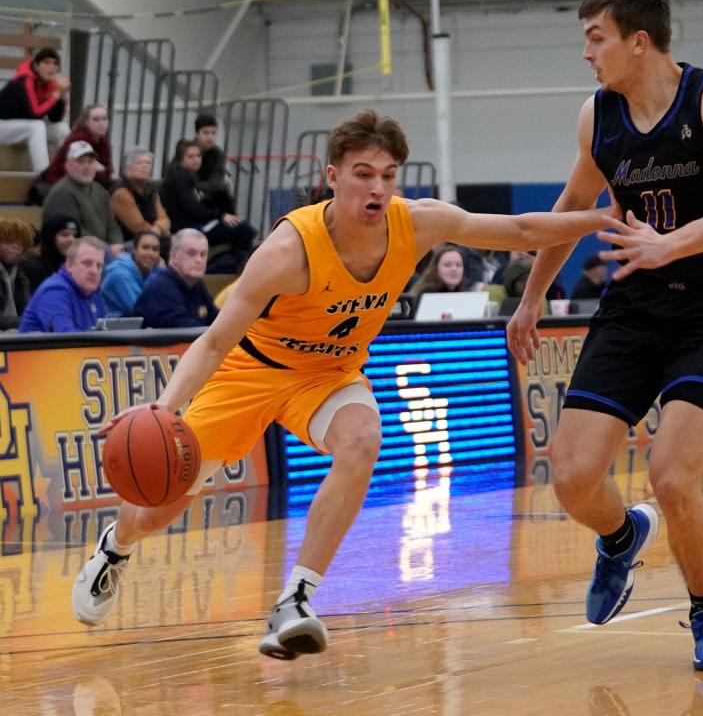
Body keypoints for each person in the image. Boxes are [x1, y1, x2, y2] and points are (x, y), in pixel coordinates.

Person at [71, 109, 618, 661]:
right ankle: (114, 549)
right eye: (362, 173)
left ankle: (295, 599)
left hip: (330, 375)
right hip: (252, 371)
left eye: (387, 174)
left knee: (362, 440)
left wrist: (603, 218)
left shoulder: (418, 222)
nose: (377, 187)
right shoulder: (290, 250)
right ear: (333, 178)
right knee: (158, 506)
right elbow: (214, 342)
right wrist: (165, 411)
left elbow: (520, 230)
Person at [506, 0, 703, 671]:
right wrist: (532, 296)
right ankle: (622, 536)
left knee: (670, 475)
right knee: (570, 477)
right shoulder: (596, 117)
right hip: (633, 309)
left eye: (594, 38)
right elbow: (574, 207)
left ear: (638, 41)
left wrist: (674, 243)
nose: (586, 53)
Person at [161, 139, 256, 267]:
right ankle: (227, 267)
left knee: (239, 227)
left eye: (198, 156)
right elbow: (192, 208)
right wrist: (220, 215)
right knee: (244, 230)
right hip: (190, 227)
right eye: (190, 156)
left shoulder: (186, 175)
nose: (196, 160)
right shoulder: (181, 177)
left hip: (195, 223)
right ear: (181, 159)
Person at [42, 141, 125, 256]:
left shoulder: (100, 191)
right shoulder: (62, 193)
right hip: (76, 254)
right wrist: (107, 249)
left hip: (104, 251)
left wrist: (118, 246)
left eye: (90, 162)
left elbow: (113, 226)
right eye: (80, 162)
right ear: (68, 165)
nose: (87, 166)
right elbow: (74, 233)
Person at [0, 47, 70, 171]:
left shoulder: (51, 85)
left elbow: (55, 118)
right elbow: (34, 113)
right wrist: (56, 95)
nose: (51, 67)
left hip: (20, 128)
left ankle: (67, 173)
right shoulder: (24, 80)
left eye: (55, 64)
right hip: (3, 125)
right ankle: (43, 175)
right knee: (37, 126)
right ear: (37, 66)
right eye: (46, 62)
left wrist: (61, 99)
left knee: (62, 128)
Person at [19, 236, 106, 332]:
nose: (94, 271)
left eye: (99, 266)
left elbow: (108, 329)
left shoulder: (94, 291)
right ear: (69, 265)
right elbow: (66, 337)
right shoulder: (53, 291)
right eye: (87, 263)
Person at [133, 229, 217, 328]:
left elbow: (217, 319)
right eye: (191, 253)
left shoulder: (197, 284)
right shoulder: (161, 288)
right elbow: (185, 331)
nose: (199, 260)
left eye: (203, 254)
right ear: (174, 254)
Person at [110, 147, 171, 251]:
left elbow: (165, 219)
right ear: (127, 168)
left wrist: (157, 228)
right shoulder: (121, 192)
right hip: (128, 243)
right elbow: (138, 227)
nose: (145, 166)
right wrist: (159, 230)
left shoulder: (150, 190)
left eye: (148, 163)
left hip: (153, 236)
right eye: (139, 163)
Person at [42, 104, 113, 189]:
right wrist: (101, 169)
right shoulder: (79, 139)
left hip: (84, 183)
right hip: (61, 183)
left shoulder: (103, 140)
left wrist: (103, 169)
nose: (101, 123)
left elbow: (108, 170)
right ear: (86, 122)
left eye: (104, 119)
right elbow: (86, 170)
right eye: (96, 120)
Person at [101, 230, 163, 317]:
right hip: (112, 328)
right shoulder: (120, 274)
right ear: (135, 250)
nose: (150, 253)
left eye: (155, 249)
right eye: (145, 247)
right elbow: (142, 312)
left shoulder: (154, 272)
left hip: (132, 327)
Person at [21, 215, 78, 291]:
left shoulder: (79, 268)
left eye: (75, 235)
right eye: (65, 235)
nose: (72, 239)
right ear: (50, 238)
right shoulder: (32, 268)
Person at [194, 113, 234, 215]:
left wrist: (199, 188)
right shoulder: (187, 151)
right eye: (206, 133)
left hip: (209, 198)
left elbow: (216, 183)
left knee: (223, 194)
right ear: (197, 133)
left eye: (213, 133)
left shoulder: (218, 154)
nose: (210, 137)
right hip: (189, 197)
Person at [0, 217, 35, 330]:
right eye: (9, 241)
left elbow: (29, 310)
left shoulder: (22, 278)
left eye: (21, 243)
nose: (16, 247)